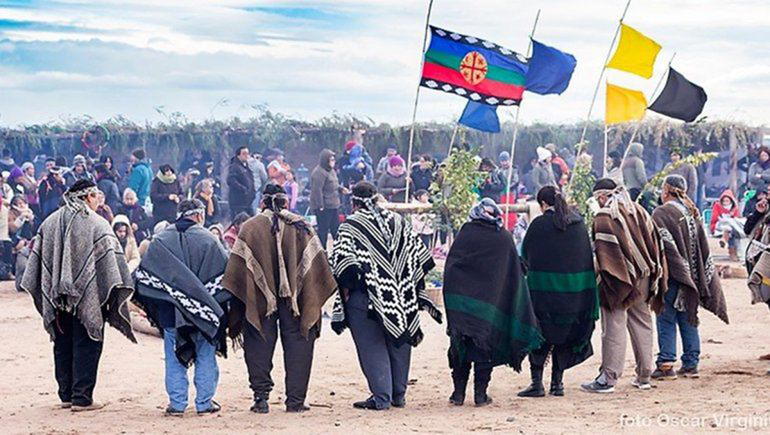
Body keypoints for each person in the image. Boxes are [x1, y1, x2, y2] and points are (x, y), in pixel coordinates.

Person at [21, 179, 136, 412]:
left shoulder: (49, 222)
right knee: (87, 342)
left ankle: (66, 395)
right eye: (96, 196)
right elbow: (114, 266)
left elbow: (38, 264)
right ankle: (82, 398)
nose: (98, 201)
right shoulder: (98, 224)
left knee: (62, 343)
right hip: (88, 297)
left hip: (57, 298)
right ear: (86, 197)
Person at [223, 184, 336, 414]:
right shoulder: (302, 227)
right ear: (286, 202)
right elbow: (319, 268)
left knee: (258, 340)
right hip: (297, 298)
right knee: (300, 340)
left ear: (262, 202)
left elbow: (237, 273)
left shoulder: (250, 228)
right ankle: (296, 400)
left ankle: (261, 399)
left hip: (260, 297)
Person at [330, 181, 442, 410]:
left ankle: (382, 397)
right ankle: (398, 395)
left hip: (365, 298)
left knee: (371, 346)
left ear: (354, 202)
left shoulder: (350, 226)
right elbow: (419, 257)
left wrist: (350, 293)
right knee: (399, 340)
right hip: (401, 296)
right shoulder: (400, 222)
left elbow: (345, 266)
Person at [443, 198, 542, 406]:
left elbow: (452, 265)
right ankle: (480, 395)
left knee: (460, 345)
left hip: (463, 303)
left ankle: (458, 394)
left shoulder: (466, 234)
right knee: (484, 347)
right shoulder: (503, 237)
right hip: (490, 304)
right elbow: (515, 269)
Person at [135, 199, 230, 416]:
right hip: (205, 314)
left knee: (173, 355)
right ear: (198, 215)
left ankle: (177, 404)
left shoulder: (159, 241)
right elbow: (226, 278)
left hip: (171, 314)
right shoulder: (210, 240)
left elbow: (144, 278)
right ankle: (204, 403)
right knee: (206, 354)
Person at [580, 179, 665, 394]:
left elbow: (603, 250)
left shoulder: (604, 215)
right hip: (645, 274)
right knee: (642, 321)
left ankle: (608, 378)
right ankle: (644, 375)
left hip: (618, 277)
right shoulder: (638, 210)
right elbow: (654, 242)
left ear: (601, 196)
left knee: (614, 324)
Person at [519, 186, 598, 398]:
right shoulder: (578, 225)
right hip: (574, 295)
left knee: (539, 334)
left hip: (542, 294)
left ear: (543, 204)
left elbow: (525, 254)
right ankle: (557, 384)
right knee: (564, 335)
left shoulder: (538, 225)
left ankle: (537, 384)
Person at [652, 175, 729, 380]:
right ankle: (691, 363)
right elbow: (702, 249)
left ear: (667, 190)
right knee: (688, 318)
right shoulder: (691, 212)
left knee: (666, 317)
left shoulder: (662, 212)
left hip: (673, 275)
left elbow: (661, 246)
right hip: (692, 277)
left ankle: (666, 363)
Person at [310, 149, 345, 248]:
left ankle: (339, 249)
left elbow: (334, 184)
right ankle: (322, 253)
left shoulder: (331, 171)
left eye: (334, 159)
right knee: (323, 231)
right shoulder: (319, 173)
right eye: (331, 160)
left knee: (336, 230)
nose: (333, 162)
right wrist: (320, 205)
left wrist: (341, 189)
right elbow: (317, 190)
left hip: (334, 205)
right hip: (324, 206)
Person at [710, 189, 744, 261]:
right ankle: (732, 252)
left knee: (731, 229)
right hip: (719, 226)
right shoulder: (717, 206)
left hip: (732, 227)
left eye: (727, 201)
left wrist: (731, 217)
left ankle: (725, 240)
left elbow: (736, 219)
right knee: (729, 228)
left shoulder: (734, 208)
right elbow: (715, 218)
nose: (725, 203)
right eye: (724, 201)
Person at [227, 146, 256, 219]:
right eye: (244, 154)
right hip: (238, 203)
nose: (247, 156)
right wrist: (243, 189)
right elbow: (231, 180)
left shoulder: (246, 167)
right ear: (238, 155)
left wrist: (253, 191)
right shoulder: (234, 167)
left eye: (247, 153)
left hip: (248, 202)